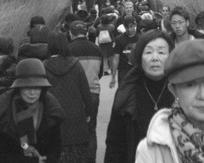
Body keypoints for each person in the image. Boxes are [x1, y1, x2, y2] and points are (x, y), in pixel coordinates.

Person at [104, 30, 176, 163]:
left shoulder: (182, 90)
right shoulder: (126, 92)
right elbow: (115, 145)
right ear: (139, 57)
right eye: (148, 52)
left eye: (161, 52)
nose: (155, 58)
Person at [0, 58, 65, 162]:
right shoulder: (2, 111)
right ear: (18, 88)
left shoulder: (51, 110)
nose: (32, 92)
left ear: (43, 89)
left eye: (37, 87)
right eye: (27, 87)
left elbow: (55, 147)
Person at [44, 32, 95, 163]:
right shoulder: (75, 64)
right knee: (76, 153)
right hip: (76, 114)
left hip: (53, 115)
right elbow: (85, 91)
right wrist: (89, 112)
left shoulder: (44, 66)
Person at [65, 19, 103, 162]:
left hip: (74, 95)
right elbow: (99, 73)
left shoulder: (68, 49)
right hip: (93, 93)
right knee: (91, 129)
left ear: (70, 33)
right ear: (86, 33)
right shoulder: (96, 49)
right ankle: (90, 159)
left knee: (75, 128)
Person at [109, 15, 140, 89]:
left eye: (131, 26)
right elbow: (116, 58)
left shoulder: (141, 38)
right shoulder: (119, 39)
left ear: (135, 25)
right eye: (126, 27)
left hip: (137, 70)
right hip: (123, 71)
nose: (129, 29)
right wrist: (113, 76)